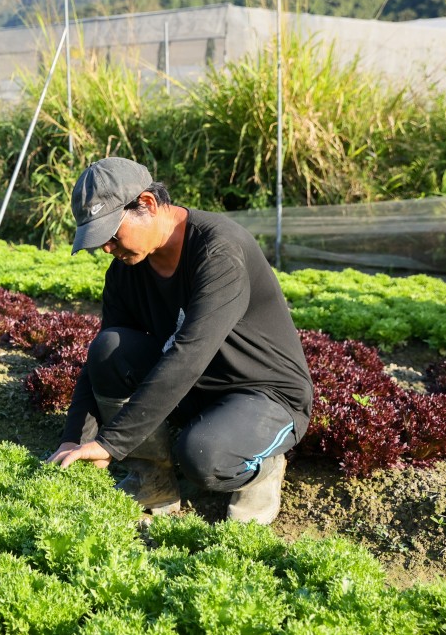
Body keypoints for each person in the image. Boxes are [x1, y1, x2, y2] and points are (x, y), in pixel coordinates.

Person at [46, 157, 313, 524]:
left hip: (264, 395)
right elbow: (102, 363)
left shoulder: (218, 252)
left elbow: (189, 355)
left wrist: (112, 443)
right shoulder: (127, 271)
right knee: (110, 348)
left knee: (204, 456)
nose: (107, 248)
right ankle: (151, 481)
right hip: (196, 389)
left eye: (111, 233)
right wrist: (74, 437)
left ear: (148, 204)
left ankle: (263, 467)